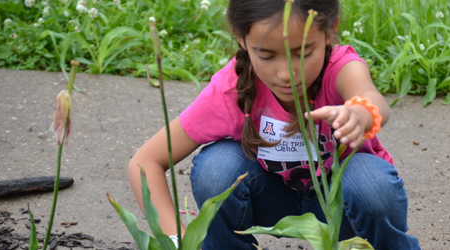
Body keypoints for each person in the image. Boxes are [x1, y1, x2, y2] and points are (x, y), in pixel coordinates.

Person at [128, 0, 421, 249]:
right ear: (241, 38)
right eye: (266, 55)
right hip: (270, 199)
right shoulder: (232, 89)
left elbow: (371, 97)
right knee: (215, 169)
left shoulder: (340, 68)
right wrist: (177, 240)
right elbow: (145, 162)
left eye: (303, 53)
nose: (286, 73)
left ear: (331, 30)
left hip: (342, 206)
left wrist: (361, 113)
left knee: (373, 184)